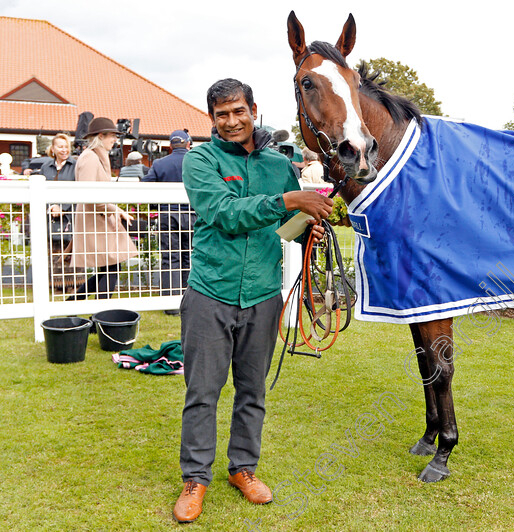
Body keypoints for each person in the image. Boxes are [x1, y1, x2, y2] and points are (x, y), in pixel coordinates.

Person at [173, 78, 333, 524]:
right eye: (222, 114)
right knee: (202, 392)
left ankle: (243, 469)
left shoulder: (278, 164)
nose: (231, 121)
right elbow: (223, 212)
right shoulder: (200, 159)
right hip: (211, 291)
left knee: (253, 391)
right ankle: (195, 478)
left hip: (264, 294)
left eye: (238, 111)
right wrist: (286, 199)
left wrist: (308, 227)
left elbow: (288, 220)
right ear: (212, 119)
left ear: (253, 109)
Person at [66, 117, 138, 300]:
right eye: (112, 136)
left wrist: (115, 210)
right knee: (112, 267)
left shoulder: (96, 156)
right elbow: (89, 194)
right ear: (100, 136)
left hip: (98, 218)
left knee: (108, 268)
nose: (115, 140)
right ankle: (98, 314)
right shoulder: (90, 157)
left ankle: (72, 306)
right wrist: (115, 209)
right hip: (95, 219)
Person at [142, 130, 196, 312]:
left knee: (170, 257)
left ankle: (170, 304)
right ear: (188, 143)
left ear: (171, 145)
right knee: (190, 256)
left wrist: (157, 205)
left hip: (168, 214)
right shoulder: (196, 161)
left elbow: (145, 186)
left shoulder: (159, 163)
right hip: (192, 214)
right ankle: (190, 300)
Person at [40, 134, 80, 291]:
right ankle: (56, 286)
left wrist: (62, 207)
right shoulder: (45, 167)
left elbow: (78, 191)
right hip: (51, 217)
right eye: (60, 146)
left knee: (70, 251)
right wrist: (51, 207)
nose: (64, 150)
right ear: (53, 148)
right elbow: (43, 190)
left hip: (70, 216)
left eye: (66, 147)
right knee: (53, 250)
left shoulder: (75, 165)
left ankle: (72, 286)